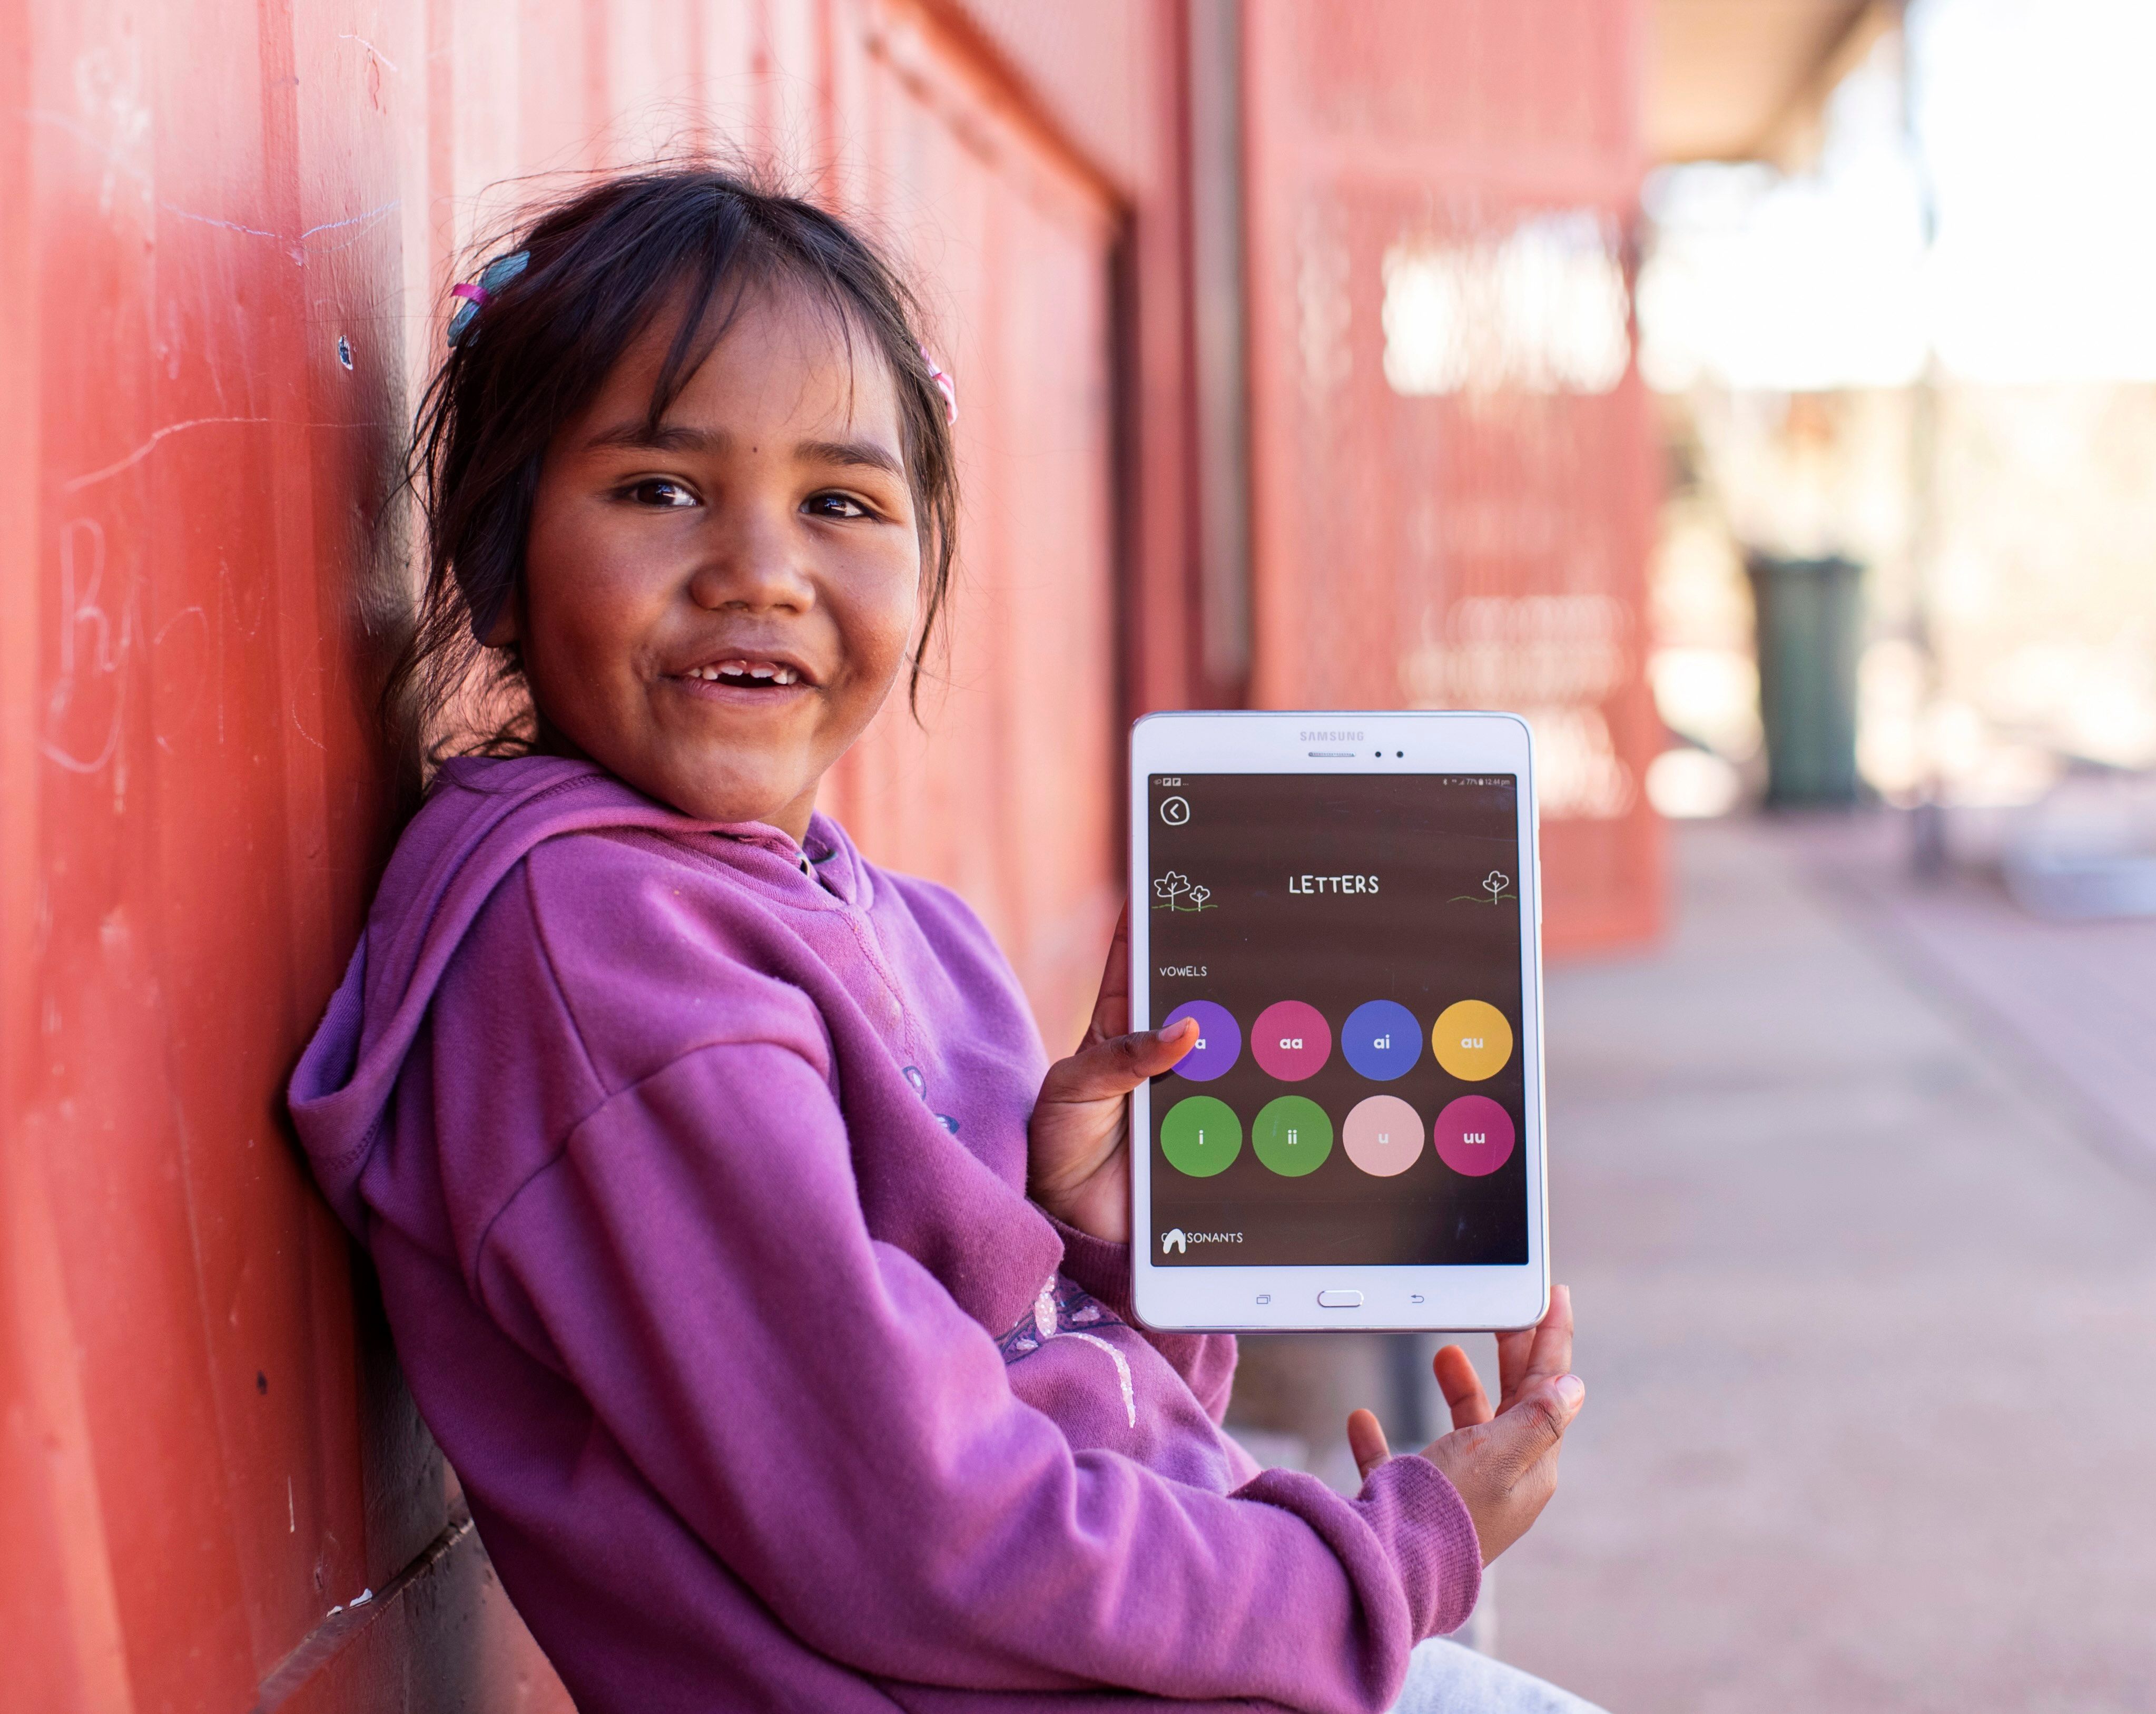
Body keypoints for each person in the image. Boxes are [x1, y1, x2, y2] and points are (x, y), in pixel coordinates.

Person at [288, 168, 1594, 1714]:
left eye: (841, 503)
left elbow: (1047, 1415)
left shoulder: (904, 928)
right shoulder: (600, 961)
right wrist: (1380, 1566)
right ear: (495, 566)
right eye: (660, 488)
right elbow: (914, 1530)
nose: (760, 569)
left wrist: (1095, 1235)